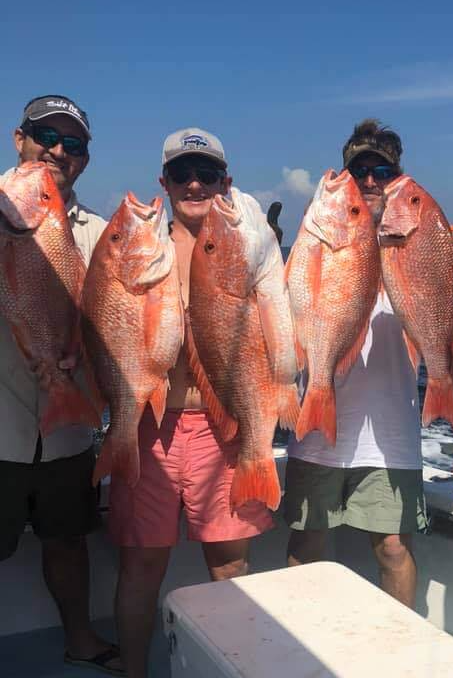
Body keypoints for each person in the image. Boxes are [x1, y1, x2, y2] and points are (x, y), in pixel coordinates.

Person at [111, 128, 277, 678]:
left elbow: (283, 316)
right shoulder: (139, 241)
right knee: (142, 564)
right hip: (149, 427)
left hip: (224, 425)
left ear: (225, 182)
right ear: (164, 182)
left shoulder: (251, 242)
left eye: (207, 173)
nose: (195, 184)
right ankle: (135, 672)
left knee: (229, 564)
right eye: (182, 173)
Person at [0, 95, 124, 675]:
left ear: (85, 161)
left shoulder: (100, 233)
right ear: (18, 139)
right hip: (0, 426)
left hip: (70, 429)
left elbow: (119, 315)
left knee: (68, 541)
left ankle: (80, 637)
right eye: (44, 136)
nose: (56, 151)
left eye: (71, 144)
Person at [284, 119, 427, 609]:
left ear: (398, 177)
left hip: (390, 437)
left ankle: (401, 654)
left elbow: (440, 324)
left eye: (381, 171)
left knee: (392, 548)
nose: (369, 180)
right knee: (307, 543)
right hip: (317, 431)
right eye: (358, 169)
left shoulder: (418, 242)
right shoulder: (318, 241)